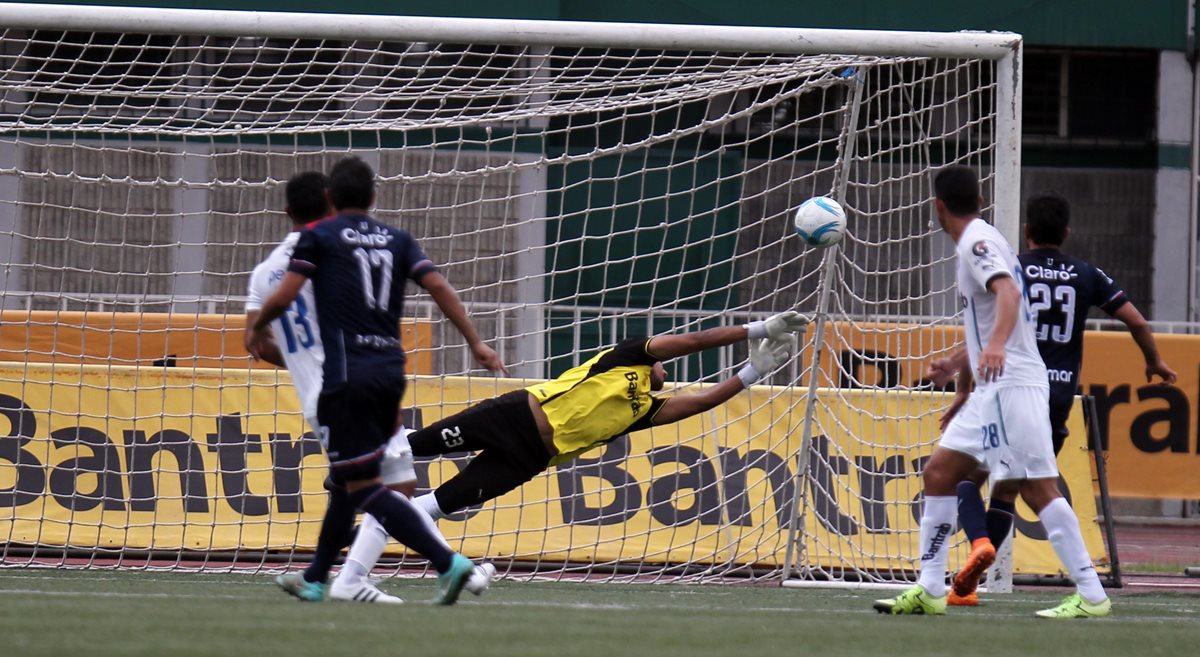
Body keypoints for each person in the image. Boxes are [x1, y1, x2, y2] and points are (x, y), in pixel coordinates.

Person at [328, 313, 808, 585]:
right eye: (668, 365)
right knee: (411, 447)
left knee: (434, 507)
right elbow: (696, 339)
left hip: (525, 460)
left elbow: (702, 401)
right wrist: (758, 330)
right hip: (511, 416)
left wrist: (750, 373)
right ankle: (349, 471)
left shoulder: (645, 410)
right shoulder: (630, 355)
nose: (670, 372)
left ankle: (356, 556)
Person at [247, 157, 505, 606]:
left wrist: (260, 330)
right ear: (373, 196)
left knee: (368, 488)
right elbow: (438, 286)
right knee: (365, 484)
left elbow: (277, 312)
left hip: (339, 381)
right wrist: (477, 344)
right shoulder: (394, 239)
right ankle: (321, 578)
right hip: (388, 372)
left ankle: (447, 563)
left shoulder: (310, 247)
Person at [873, 165, 1111, 618]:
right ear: (979, 200)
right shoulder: (986, 238)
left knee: (1037, 489)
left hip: (1012, 385)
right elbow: (986, 326)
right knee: (939, 474)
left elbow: (1008, 296)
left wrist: (996, 347)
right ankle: (929, 588)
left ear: (937, 206)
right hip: (992, 389)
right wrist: (963, 375)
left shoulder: (977, 244)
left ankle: (1092, 595)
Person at [947, 193, 1177, 606]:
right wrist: (1155, 361)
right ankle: (977, 579)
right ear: (1066, 233)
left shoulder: (1011, 267)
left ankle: (978, 550)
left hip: (1011, 384)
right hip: (1056, 396)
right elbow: (1137, 321)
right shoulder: (1087, 274)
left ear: (1026, 231)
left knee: (963, 476)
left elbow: (981, 335)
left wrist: (962, 386)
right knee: (1010, 490)